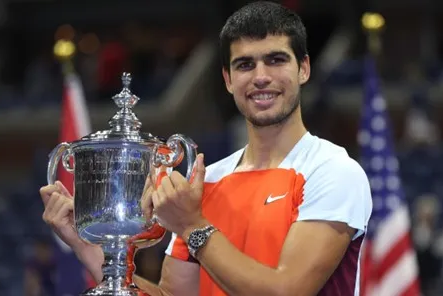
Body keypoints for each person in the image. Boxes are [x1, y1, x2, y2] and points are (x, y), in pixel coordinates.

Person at [39, 2, 373, 295]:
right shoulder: (208, 181)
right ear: (228, 80)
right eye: (245, 65)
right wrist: (89, 248)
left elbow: (286, 290)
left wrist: (192, 225)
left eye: (275, 60)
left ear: (303, 69)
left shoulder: (333, 171)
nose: (261, 77)